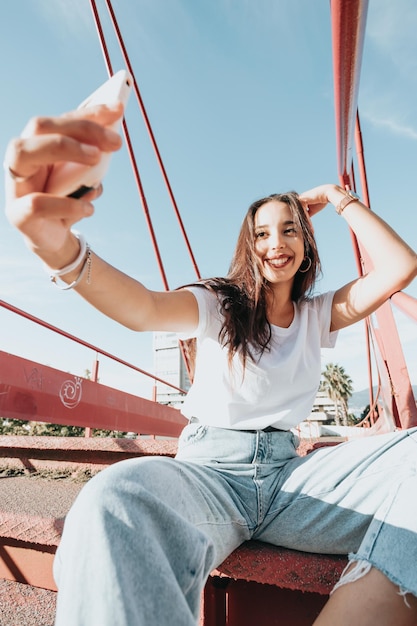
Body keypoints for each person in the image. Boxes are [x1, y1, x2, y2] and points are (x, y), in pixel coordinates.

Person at [3, 103, 417, 626]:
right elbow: (143, 309)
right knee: (113, 501)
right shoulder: (219, 302)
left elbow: (401, 266)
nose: (275, 243)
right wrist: (57, 247)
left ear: (306, 244)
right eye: (262, 233)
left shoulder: (318, 314)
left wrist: (338, 197)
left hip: (293, 484)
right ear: (249, 244)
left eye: (289, 230)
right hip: (210, 477)